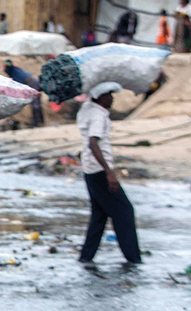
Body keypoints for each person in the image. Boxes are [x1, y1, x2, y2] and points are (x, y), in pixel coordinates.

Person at [77, 82, 141, 264]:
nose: (112, 99)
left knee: (99, 215)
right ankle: (133, 259)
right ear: (101, 97)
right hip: (98, 169)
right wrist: (109, 172)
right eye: (109, 95)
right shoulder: (98, 116)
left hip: (90, 168)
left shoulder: (87, 109)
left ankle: (86, 258)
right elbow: (93, 143)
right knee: (125, 212)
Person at [4, 60, 44, 127]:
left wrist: (8, 62)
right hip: (32, 82)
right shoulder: (16, 71)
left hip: (31, 83)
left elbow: (9, 65)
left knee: (35, 104)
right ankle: (40, 121)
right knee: (36, 103)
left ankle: (36, 123)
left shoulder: (13, 70)